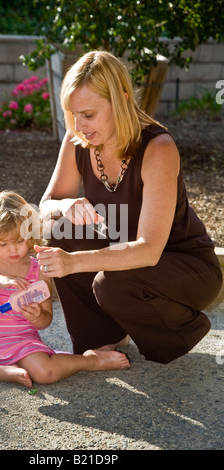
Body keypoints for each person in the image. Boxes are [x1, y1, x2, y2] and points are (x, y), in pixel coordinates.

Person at [35, 50, 223, 365]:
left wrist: (73, 263)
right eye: (73, 114)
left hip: (185, 267)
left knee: (111, 283)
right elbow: (45, 207)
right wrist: (66, 205)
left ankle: (183, 329)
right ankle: (104, 337)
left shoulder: (158, 148)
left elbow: (149, 250)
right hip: (126, 252)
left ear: (121, 100)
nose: (79, 125)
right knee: (61, 227)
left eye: (89, 114)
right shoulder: (77, 139)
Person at [0, 191, 130, 388]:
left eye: (20, 241)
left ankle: (90, 361)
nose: (13, 249)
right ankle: (3, 372)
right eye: (3, 243)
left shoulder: (37, 270)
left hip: (24, 344)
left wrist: (36, 315)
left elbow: (46, 320)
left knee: (45, 373)